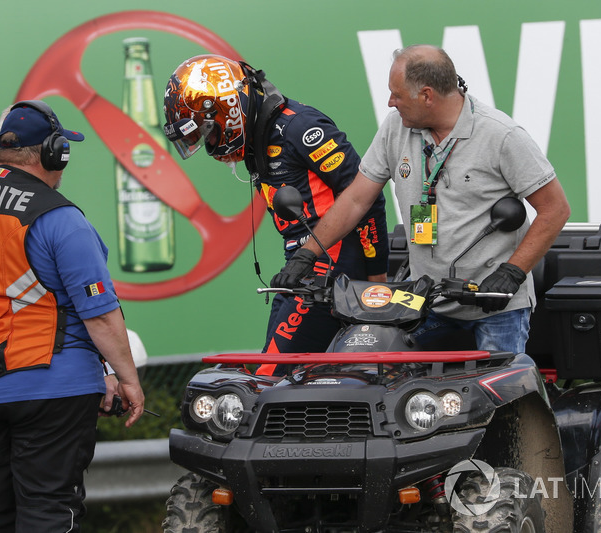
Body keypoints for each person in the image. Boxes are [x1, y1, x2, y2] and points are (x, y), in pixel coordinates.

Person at [0, 100, 145, 532]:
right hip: (50, 387)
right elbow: (100, 314)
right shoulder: (59, 217)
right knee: (48, 509)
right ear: (53, 152)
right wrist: (128, 378)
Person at [272, 45, 571, 354]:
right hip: (425, 300)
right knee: (375, 374)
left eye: (397, 95)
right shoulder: (395, 128)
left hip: (493, 306)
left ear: (427, 96)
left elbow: (555, 209)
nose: (391, 102)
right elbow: (355, 201)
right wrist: (307, 255)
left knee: (499, 397)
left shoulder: (502, 135)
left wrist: (513, 271)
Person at [162, 55, 390, 364]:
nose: (209, 143)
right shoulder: (258, 140)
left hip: (329, 273)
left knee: (269, 376)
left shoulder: (300, 127)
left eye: (207, 132)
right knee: (286, 379)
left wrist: (377, 280)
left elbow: (367, 198)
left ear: (228, 109)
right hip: (298, 271)